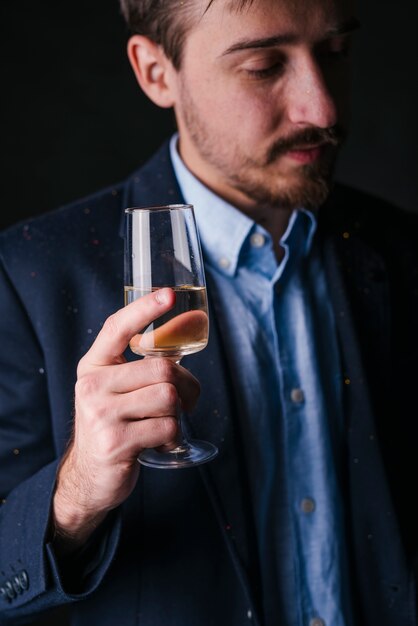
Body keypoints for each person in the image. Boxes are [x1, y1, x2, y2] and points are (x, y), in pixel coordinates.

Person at [0, 0, 417, 624]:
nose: (322, 108)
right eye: (263, 65)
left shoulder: (405, 251)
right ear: (154, 72)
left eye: (334, 53)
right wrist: (76, 493)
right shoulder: (26, 273)